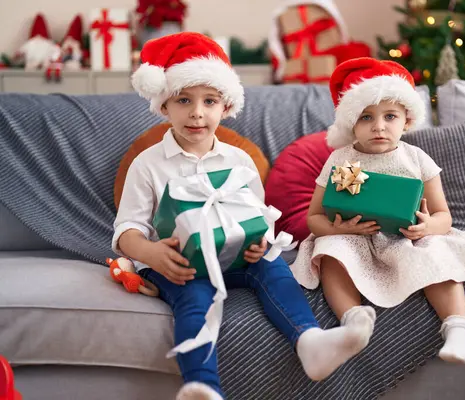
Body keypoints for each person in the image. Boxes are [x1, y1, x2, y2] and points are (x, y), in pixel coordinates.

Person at [112, 32, 366, 400]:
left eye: (209, 101)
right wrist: (152, 254)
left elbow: (258, 218)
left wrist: (259, 241)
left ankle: (310, 341)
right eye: (184, 100)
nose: (197, 112)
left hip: (234, 255)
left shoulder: (239, 160)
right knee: (193, 294)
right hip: (178, 261)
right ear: (164, 106)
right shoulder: (147, 163)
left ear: (225, 107)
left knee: (273, 264)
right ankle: (201, 386)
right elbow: (127, 230)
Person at [291, 57, 465, 365]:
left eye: (389, 116)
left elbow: (443, 216)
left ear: (406, 120)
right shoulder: (341, 158)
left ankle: (458, 328)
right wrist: (340, 229)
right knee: (329, 250)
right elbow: (313, 219)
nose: (379, 126)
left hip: (405, 238)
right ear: (351, 123)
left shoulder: (417, 158)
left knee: (435, 250)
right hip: (352, 239)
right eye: (366, 117)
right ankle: (353, 322)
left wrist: (426, 227)